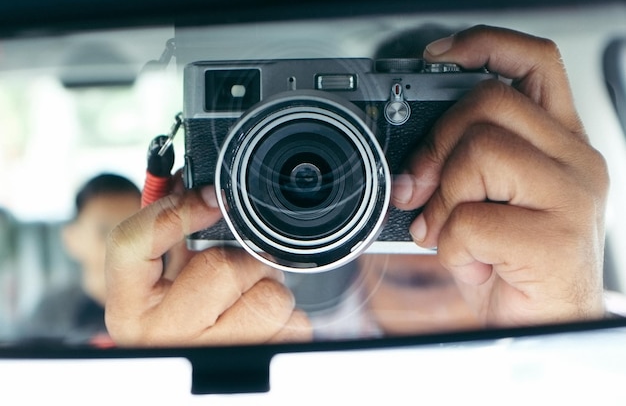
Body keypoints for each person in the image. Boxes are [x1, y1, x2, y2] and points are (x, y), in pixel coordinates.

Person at [104, 25, 608, 346]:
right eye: (343, 153)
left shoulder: (600, 323)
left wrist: (567, 327)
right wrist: (174, 364)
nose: (397, 187)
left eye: (457, 172)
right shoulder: (267, 333)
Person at [23, 173, 141, 345]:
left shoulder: (164, 303)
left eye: (135, 230)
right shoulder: (51, 313)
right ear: (71, 238)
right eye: (105, 231)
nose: (121, 244)